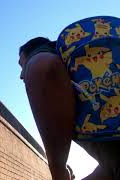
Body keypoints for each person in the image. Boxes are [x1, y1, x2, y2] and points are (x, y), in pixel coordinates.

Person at [19, 32, 120, 180]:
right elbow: (112, 164)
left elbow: (43, 66)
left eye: (22, 65)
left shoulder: (43, 57)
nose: (21, 75)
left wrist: (58, 169)